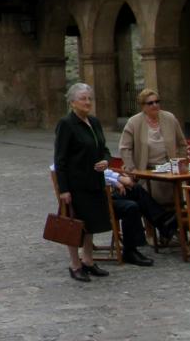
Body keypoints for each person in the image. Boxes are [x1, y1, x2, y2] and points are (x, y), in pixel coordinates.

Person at [54, 82, 111, 282]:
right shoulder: (66, 124)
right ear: (72, 103)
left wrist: (106, 160)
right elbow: (59, 159)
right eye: (83, 99)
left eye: (89, 98)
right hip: (76, 183)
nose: (87, 102)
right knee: (74, 224)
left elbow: (103, 148)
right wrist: (64, 189)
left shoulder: (94, 122)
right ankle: (75, 264)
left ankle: (88, 260)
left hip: (95, 181)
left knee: (92, 223)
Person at [118, 88, 187, 206]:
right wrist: (132, 169)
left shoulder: (170, 118)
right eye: (150, 103)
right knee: (153, 204)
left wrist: (179, 161)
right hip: (147, 172)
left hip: (170, 172)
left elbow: (182, 143)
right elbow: (124, 148)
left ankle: (178, 222)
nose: (155, 105)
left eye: (157, 101)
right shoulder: (134, 122)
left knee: (177, 203)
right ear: (143, 106)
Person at [105, 167, 176, 266]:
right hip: (97, 201)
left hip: (107, 193)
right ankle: (130, 251)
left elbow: (105, 171)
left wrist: (118, 178)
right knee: (130, 207)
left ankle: (164, 224)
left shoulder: (94, 157)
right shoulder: (81, 157)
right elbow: (92, 176)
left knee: (136, 189)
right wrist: (116, 181)